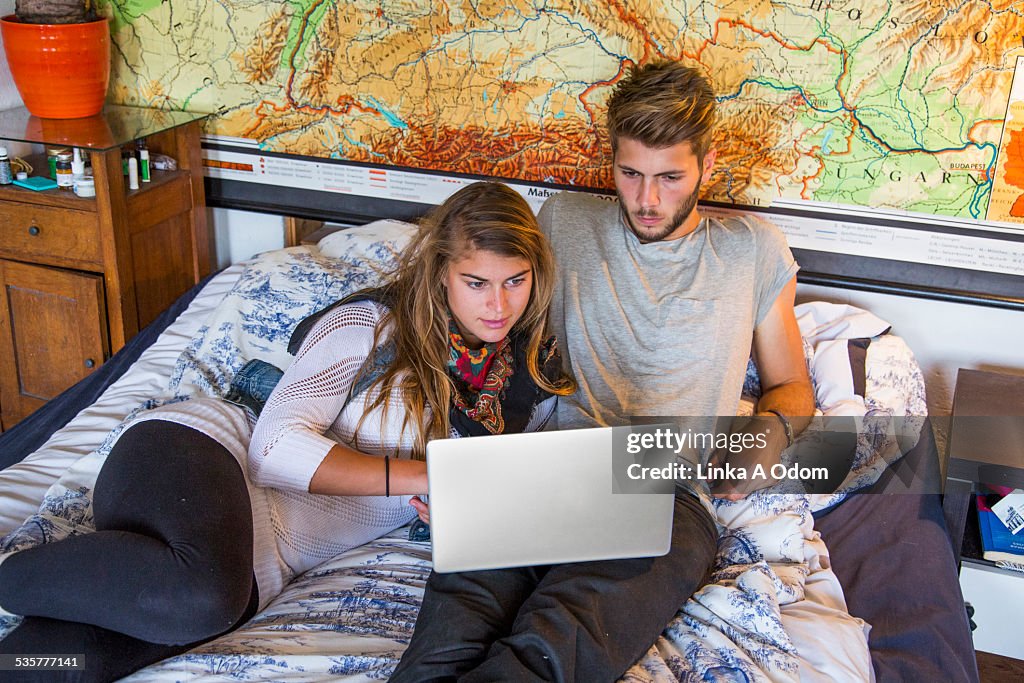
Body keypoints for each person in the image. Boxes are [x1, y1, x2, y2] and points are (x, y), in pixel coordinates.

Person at [0, 181, 574, 683]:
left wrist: (456, 506)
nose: (498, 305)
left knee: (59, 665)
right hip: (196, 457)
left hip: (258, 566)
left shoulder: (528, 385)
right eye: (476, 282)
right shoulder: (371, 328)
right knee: (200, 597)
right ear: (442, 273)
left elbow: (500, 492)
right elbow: (274, 451)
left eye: (515, 281)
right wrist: (428, 476)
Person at [391, 60, 814, 682]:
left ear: (708, 166)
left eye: (670, 177)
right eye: (631, 173)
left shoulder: (753, 248)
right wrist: (464, 464)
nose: (647, 199)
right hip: (549, 467)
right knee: (450, 627)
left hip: (665, 488)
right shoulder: (563, 222)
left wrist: (768, 439)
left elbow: (792, 386)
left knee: (561, 635)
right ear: (610, 160)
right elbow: (483, 317)